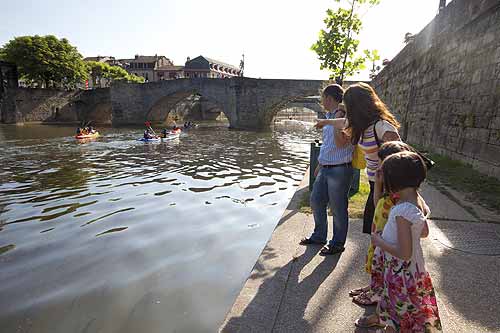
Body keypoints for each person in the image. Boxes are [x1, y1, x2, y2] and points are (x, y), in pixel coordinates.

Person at [356, 152, 442, 332]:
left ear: (393, 180)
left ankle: (393, 327)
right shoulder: (417, 202)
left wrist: (379, 240)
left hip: (400, 271)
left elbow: (404, 253)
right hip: (414, 268)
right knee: (407, 304)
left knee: (399, 306)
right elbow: (424, 232)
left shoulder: (401, 211)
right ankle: (388, 325)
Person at [350, 141, 426, 307]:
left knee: (392, 286)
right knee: (381, 274)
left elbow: (406, 249)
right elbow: (379, 205)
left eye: (382, 165)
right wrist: (378, 184)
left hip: (391, 248)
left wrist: (381, 242)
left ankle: (379, 303)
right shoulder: (403, 196)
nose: (379, 169)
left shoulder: (401, 203)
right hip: (386, 243)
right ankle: (375, 290)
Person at [299, 84, 354, 255]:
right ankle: (319, 235)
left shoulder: (344, 117)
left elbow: (340, 143)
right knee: (316, 200)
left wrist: (336, 121)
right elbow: (328, 145)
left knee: (338, 208)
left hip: (340, 169)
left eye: (322, 98)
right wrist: (320, 164)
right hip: (326, 167)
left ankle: (337, 243)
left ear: (329, 98)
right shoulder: (330, 116)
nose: (322, 101)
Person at [343, 83, 401, 234]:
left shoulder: (382, 127)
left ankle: (383, 257)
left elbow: (399, 160)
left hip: (386, 187)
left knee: (383, 233)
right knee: (376, 232)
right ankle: (378, 257)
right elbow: (341, 123)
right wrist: (326, 122)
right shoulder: (363, 127)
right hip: (374, 184)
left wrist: (379, 191)